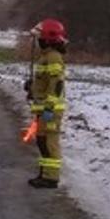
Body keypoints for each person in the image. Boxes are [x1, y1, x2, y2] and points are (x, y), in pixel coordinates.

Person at [26, 18, 69, 188]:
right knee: (42, 141)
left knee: (50, 143)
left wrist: (49, 107)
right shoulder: (47, 57)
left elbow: (56, 84)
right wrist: (32, 87)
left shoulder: (53, 57)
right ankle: (45, 173)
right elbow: (45, 82)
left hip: (50, 110)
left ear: (48, 39)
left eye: (40, 38)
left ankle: (51, 178)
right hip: (44, 109)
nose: (38, 41)